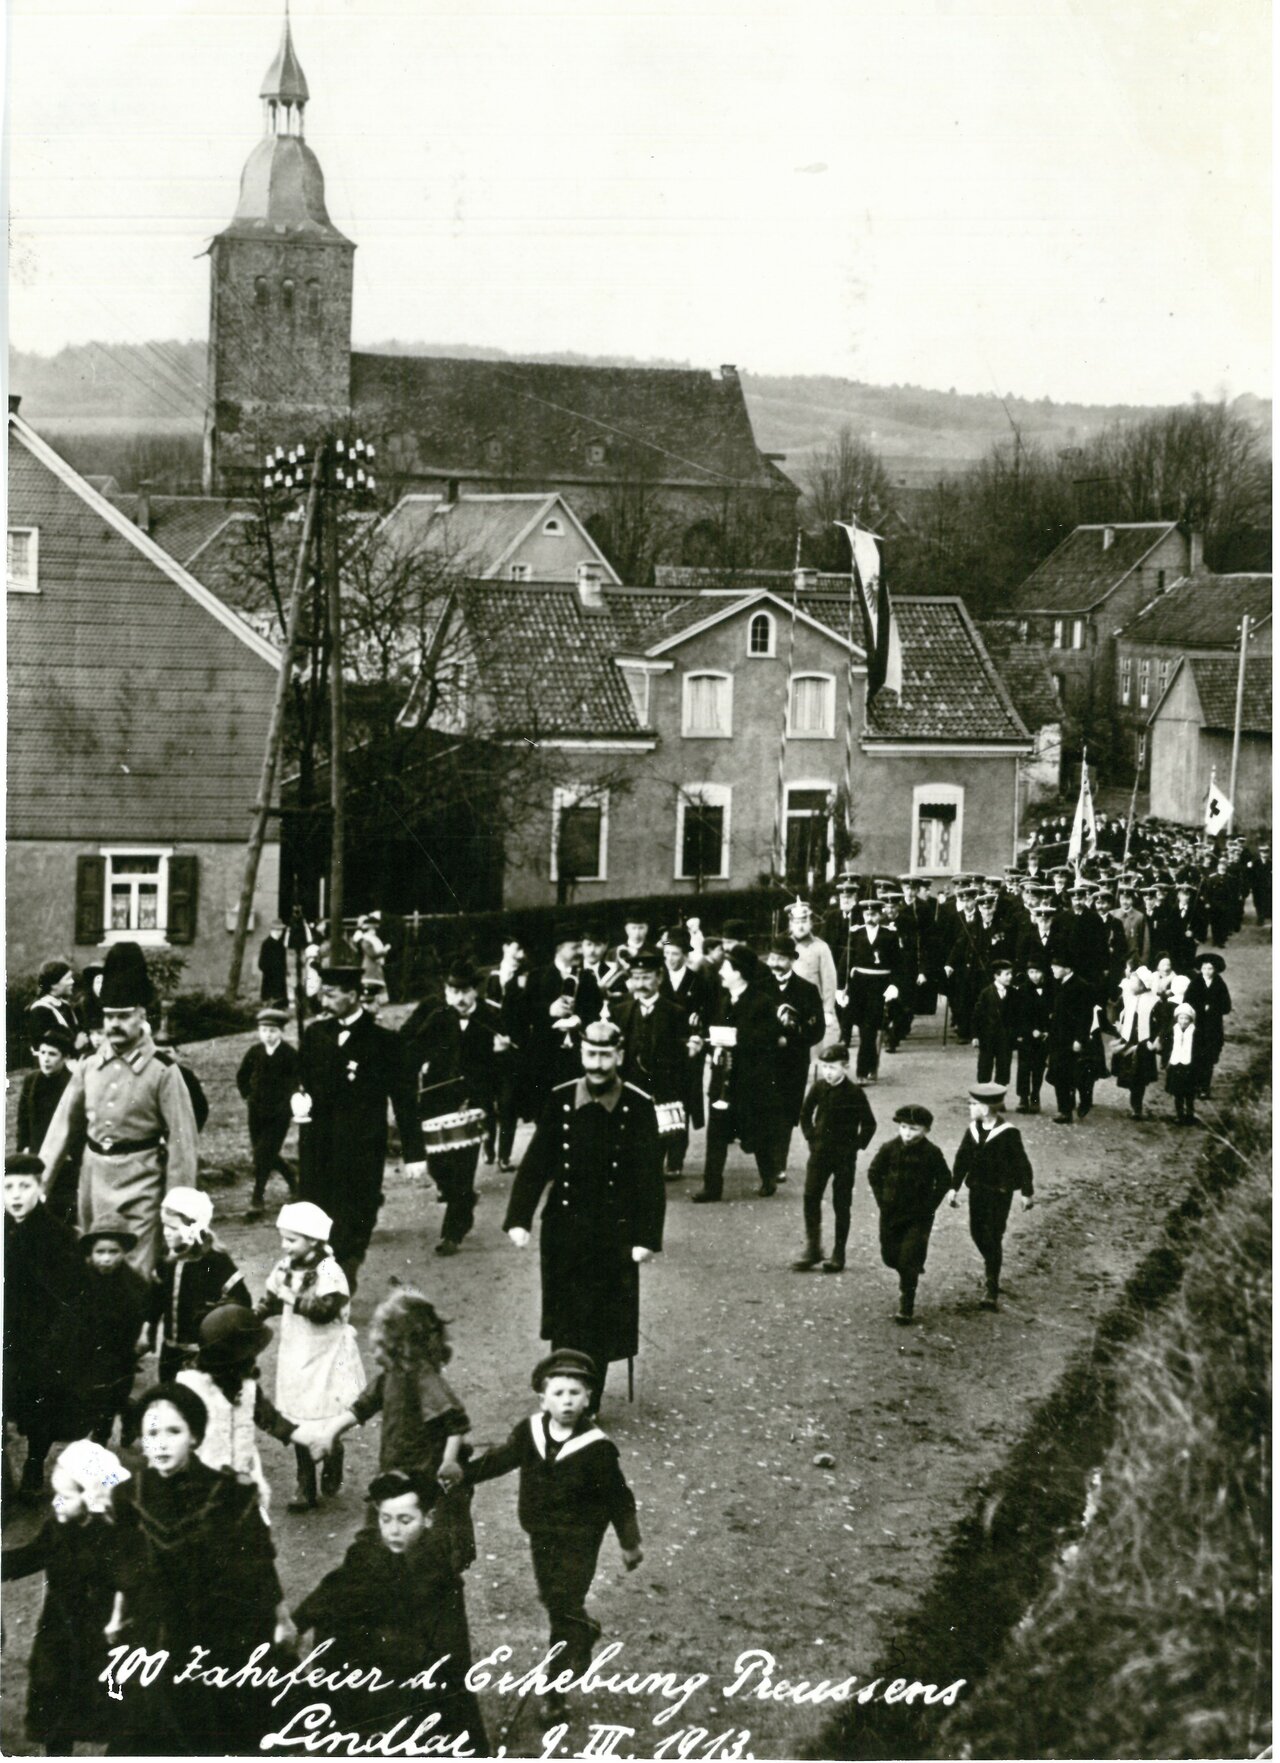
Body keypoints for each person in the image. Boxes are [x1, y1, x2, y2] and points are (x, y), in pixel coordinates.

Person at [109, 1382, 292, 1757]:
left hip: (217, 1636)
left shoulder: (229, 1493)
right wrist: (117, 1616)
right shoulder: (130, 1493)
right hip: (155, 1633)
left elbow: (259, 1563)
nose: (160, 1443)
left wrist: (282, 1617)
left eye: (173, 1432)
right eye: (151, 1433)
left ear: (194, 1436)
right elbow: (126, 1566)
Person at [466, 1350, 643, 1728]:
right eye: (559, 1393)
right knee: (553, 1600)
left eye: (575, 1393)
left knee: (563, 1607)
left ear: (588, 1398)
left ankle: (554, 1692)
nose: (566, 1401)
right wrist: (461, 1475)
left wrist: (630, 1541)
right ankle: (584, 1628)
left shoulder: (597, 1449)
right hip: (541, 1535)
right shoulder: (529, 1432)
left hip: (581, 1539)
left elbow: (618, 1496)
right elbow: (499, 1459)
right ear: (542, 1398)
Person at [505, 1020, 664, 1401]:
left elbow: (649, 1179)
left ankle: (588, 1396)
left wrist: (646, 1237)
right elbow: (537, 1162)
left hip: (615, 1231)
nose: (597, 1063)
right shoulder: (560, 1099)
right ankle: (562, 1392)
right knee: (564, 1315)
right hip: (563, 1227)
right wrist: (518, 1217)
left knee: (603, 1316)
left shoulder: (638, 1106)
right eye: (590, 1053)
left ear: (619, 1056)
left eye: (605, 1055)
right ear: (581, 1053)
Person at [293, 1468, 488, 1750]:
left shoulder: (440, 1575)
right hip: (363, 1677)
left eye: (405, 1520)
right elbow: (333, 1588)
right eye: (386, 1520)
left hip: (410, 1683)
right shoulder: (366, 1554)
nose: (394, 1530)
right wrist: (297, 1623)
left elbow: (451, 1651)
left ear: (428, 1519)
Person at [40, 940, 199, 1281]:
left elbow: (183, 1146)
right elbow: (61, 1130)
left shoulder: (163, 1071)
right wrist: (38, 1186)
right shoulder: (88, 1067)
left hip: (143, 1186)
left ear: (142, 1015)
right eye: (109, 1016)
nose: (114, 1025)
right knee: (93, 1274)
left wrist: (177, 1210)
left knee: (136, 1277)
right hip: (93, 1183)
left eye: (124, 1016)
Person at [303, 1287, 477, 1572]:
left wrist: (448, 1460)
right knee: (384, 1541)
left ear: (402, 1341)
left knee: (426, 1548)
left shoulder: (423, 1377)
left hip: (422, 1474)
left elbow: (455, 1422)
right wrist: (328, 1433)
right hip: (394, 1468)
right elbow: (360, 1408)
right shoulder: (391, 1376)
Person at [295, 959, 426, 1285]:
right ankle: (322, 1279)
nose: (323, 1002)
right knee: (315, 1216)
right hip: (318, 1146)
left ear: (352, 995)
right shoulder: (315, 1035)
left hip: (361, 1148)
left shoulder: (384, 1042)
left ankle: (343, 1275)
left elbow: (405, 1100)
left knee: (355, 1216)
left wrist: (415, 1153)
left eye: (330, 994)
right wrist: (296, 1101)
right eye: (322, 994)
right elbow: (302, 1084)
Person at [0, 1439, 131, 1755]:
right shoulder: (57, 1528)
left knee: (106, 1707)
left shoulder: (113, 1535)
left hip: (100, 1638)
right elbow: (33, 1555)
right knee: (55, 1709)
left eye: (65, 1497)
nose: (56, 1503)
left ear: (90, 1497)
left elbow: (128, 1581)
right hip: (57, 1634)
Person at [255, 1200, 366, 1512]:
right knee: (298, 1412)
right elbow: (273, 1298)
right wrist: (257, 1315)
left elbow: (324, 1311)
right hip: (297, 1349)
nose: (285, 1246)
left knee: (324, 1407)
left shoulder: (329, 1271)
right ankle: (306, 1482)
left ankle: (332, 1451)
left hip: (325, 1350)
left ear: (313, 1240)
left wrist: (290, 1298)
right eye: (283, 1239)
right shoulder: (285, 1267)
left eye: (291, 1240)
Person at [3, 1154, 91, 1500]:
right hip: (7, 1336)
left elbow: (71, 1296)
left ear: (39, 1190)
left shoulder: (55, 1235)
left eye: (25, 1186)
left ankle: (34, 1465)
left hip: (40, 1339)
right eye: (8, 1187)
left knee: (40, 1406)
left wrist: (53, 1341)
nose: (16, 1196)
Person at [401, 960, 498, 1256]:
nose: (460, 997)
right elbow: (408, 1047)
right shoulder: (435, 1015)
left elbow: (512, 1064)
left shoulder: (492, 1017)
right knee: (437, 1165)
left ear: (475, 991)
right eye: (453, 990)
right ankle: (464, 1200)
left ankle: (452, 1234)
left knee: (463, 1169)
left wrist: (502, 1053)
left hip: (472, 1104)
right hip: (434, 1102)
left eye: (466, 990)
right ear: (446, 990)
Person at [174, 1304, 296, 1515]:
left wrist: (301, 1435)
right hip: (202, 1482)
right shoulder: (189, 1389)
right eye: (250, 1357)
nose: (253, 1362)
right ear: (234, 1361)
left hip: (241, 1472)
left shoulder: (247, 1388)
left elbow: (270, 1418)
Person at [693, 943, 787, 1201]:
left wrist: (736, 1038)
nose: (721, 971)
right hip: (722, 1078)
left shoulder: (761, 1002)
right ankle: (712, 1187)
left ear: (740, 972)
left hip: (749, 1081)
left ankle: (768, 1177)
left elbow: (769, 1037)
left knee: (757, 1132)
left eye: (726, 967)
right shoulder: (722, 999)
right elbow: (713, 1031)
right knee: (716, 1136)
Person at [148, 1186, 251, 1382]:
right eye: (164, 1226)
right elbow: (156, 1299)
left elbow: (242, 1301)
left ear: (192, 1227)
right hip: (170, 1351)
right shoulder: (166, 1260)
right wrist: (149, 1329)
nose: (166, 1233)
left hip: (204, 1355)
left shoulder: (215, 1261)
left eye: (173, 1227)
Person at [792, 1042, 877, 1274]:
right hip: (819, 1154)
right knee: (810, 1196)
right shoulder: (819, 1088)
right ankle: (813, 1247)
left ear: (845, 1068)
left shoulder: (855, 1093)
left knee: (841, 1203)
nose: (828, 1072)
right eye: (824, 1067)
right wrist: (811, 1137)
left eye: (833, 1068)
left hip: (843, 1158)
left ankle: (838, 1253)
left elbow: (869, 1124)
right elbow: (805, 1113)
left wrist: (856, 1147)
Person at [949, 1082, 1034, 1310]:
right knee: (977, 1232)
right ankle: (991, 1262)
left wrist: (1027, 1192)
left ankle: (991, 1284)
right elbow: (962, 1159)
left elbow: (1022, 1164)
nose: (970, 1107)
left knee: (993, 1234)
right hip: (977, 1190)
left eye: (973, 1104)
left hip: (999, 1193)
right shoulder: (973, 1130)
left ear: (985, 1108)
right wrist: (953, 1187)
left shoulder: (1008, 1133)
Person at [866, 1104, 953, 1324]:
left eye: (913, 1129)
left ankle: (907, 1301)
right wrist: (882, 1199)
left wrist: (930, 1205)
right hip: (891, 1213)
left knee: (908, 1259)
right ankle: (910, 1269)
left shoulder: (932, 1153)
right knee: (890, 1256)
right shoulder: (889, 1148)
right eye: (903, 1127)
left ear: (926, 1130)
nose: (906, 1133)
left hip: (918, 1216)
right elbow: (874, 1173)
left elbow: (944, 1180)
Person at [80, 1215, 149, 1446]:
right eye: (100, 1252)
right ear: (91, 1253)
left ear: (124, 1253)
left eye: (113, 1252)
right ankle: (129, 1410)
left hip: (121, 1355)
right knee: (92, 1398)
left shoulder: (134, 1284)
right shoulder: (80, 1281)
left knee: (109, 1402)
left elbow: (146, 1313)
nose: (107, 1259)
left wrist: (142, 1336)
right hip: (89, 1352)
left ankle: (100, 1442)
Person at [766, 936, 826, 1178]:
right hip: (765, 1061)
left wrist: (789, 1040)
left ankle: (778, 1164)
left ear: (791, 960)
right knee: (766, 1110)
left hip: (793, 1062)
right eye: (772, 958)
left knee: (785, 1112)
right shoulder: (760, 985)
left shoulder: (807, 990)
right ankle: (766, 1162)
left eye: (781, 958)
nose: (775, 963)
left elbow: (816, 1030)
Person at [235, 1005, 300, 1221]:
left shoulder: (289, 1054)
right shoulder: (255, 1052)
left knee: (263, 1153)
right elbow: (242, 1075)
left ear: (281, 1031)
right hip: (257, 1110)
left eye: (272, 1031)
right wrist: (247, 1095)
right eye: (263, 1030)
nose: (268, 1035)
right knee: (262, 1151)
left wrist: (288, 1104)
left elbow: (296, 1082)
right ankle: (291, 1177)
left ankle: (257, 1198)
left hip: (279, 1112)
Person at [16, 1027, 79, 1222]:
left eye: (52, 1054)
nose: (45, 1059)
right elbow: (23, 1118)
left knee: (61, 1207)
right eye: (42, 1053)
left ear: (65, 1057)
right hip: (36, 1151)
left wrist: (71, 1153)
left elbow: (78, 1124)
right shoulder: (31, 1080)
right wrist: (24, 1147)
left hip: (64, 1160)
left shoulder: (73, 1084)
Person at [484, 936, 532, 1171]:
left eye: (522, 949)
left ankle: (504, 1156)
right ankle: (489, 1147)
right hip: (490, 1049)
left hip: (513, 1050)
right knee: (485, 1102)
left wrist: (514, 1039)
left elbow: (526, 1015)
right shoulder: (490, 977)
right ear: (505, 947)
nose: (519, 953)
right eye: (516, 947)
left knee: (508, 1102)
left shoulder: (526, 978)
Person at [1047, 956, 1097, 1125]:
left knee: (1071, 1074)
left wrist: (1080, 1039)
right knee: (1059, 1074)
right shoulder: (1058, 983)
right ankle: (1065, 1109)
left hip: (1071, 1040)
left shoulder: (1081, 986)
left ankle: (1073, 1106)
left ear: (1067, 969)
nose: (1053, 969)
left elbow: (1085, 1016)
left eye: (1056, 966)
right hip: (1058, 1038)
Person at [1110, 970, 1163, 1120]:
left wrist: (1155, 1039)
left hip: (1143, 1043)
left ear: (1143, 985)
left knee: (1139, 1077)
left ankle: (1137, 1106)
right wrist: (1117, 1023)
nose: (1130, 984)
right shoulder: (1127, 997)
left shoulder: (1154, 1001)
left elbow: (1161, 1023)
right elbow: (1116, 1008)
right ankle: (1134, 1099)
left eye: (1134, 982)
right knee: (1128, 1073)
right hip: (1128, 1039)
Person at [786, 900, 839, 1039]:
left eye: (804, 922)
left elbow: (829, 980)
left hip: (812, 1005)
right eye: (797, 922)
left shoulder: (821, 947)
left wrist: (828, 1010)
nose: (800, 926)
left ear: (810, 922)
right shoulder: (784, 946)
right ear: (791, 924)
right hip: (788, 1004)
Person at [1184, 951, 1232, 1099]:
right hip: (1197, 1026)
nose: (1207, 971)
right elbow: (1187, 1003)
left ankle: (1205, 1087)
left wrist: (1212, 1007)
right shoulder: (1196, 983)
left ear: (1215, 970)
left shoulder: (1219, 984)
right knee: (1195, 1056)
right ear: (1200, 968)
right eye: (1204, 968)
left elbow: (1226, 1006)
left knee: (1209, 1058)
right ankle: (1195, 1084)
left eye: (1210, 969)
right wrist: (1199, 1008)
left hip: (1213, 1027)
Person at [1014, 959, 1054, 1114]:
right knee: (1024, 1067)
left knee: (1039, 1067)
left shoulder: (1051, 991)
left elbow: (1053, 1012)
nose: (1034, 976)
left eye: (1037, 972)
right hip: (1027, 1036)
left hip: (1043, 1037)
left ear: (1043, 973)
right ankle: (1023, 1098)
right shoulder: (1022, 991)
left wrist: (1047, 1031)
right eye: (1031, 972)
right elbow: (1020, 1016)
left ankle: (1035, 1097)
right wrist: (1031, 1030)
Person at [25, 959, 88, 1057]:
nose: (72, 982)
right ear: (54, 984)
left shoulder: (65, 1006)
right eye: (68, 978)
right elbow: (44, 1047)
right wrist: (75, 1046)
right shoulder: (40, 1011)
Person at [972, 956, 1018, 1085]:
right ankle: (984, 1097)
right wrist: (975, 1035)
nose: (1010, 977)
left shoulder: (1013, 993)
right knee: (984, 1068)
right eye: (1007, 974)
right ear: (996, 976)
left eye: (1011, 974)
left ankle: (999, 1099)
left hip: (1006, 1039)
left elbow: (1017, 1016)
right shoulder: (986, 993)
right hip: (988, 1038)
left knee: (1003, 1069)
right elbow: (977, 1016)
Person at [1162, 1002, 1203, 1125]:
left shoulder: (1196, 1033)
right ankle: (1179, 1115)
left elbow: (1200, 1050)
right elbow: (1167, 1048)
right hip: (1176, 1065)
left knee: (1189, 1092)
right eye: (1181, 1018)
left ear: (1191, 1019)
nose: (1184, 1021)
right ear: (1177, 1018)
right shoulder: (1172, 1031)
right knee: (1177, 1092)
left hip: (1190, 1066)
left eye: (1187, 1018)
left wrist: (1198, 1065)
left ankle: (1190, 1114)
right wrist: (1166, 1061)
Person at [353, 912, 392, 1002]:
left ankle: (374, 1005)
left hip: (376, 966)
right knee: (370, 988)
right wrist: (384, 951)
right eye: (373, 929)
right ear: (369, 929)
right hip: (370, 966)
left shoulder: (373, 939)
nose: (374, 931)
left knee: (376, 988)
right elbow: (372, 955)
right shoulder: (366, 940)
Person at [257, 918, 289, 1003]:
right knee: (270, 1002)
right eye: (278, 930)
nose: (280, 932)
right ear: (272, 930)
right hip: (270, 980)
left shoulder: (281, 944)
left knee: (280, 1002)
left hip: (280, 980)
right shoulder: (266, 944)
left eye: (281, 930)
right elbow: (261, 963)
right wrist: (270, 971)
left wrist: (284, 970)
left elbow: (283, 961)